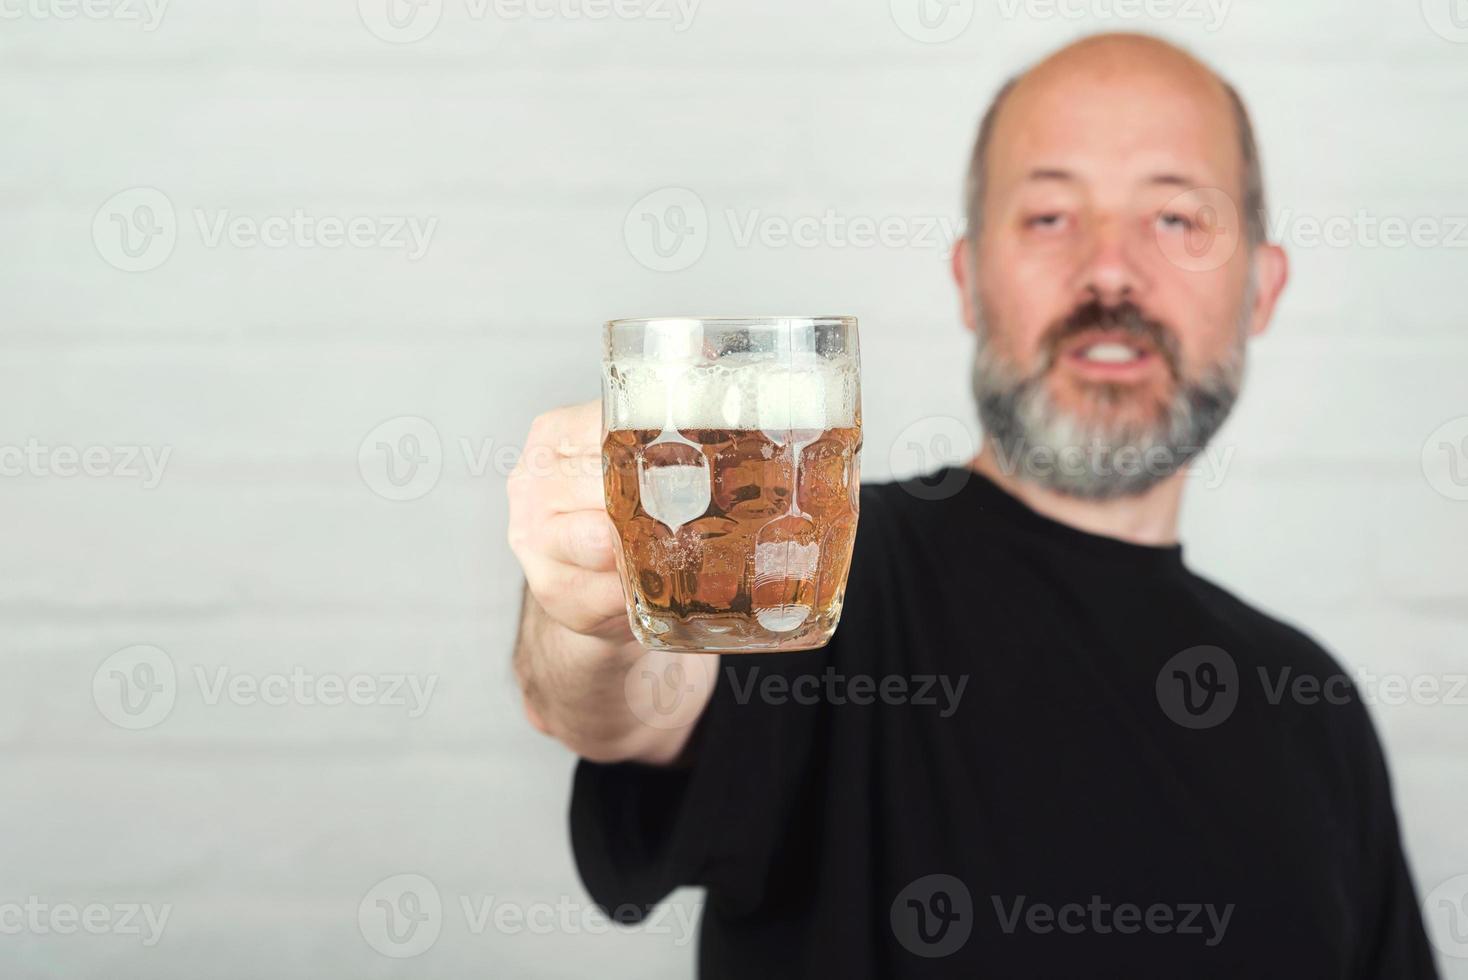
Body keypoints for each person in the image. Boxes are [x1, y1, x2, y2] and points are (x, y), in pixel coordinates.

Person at [506, 33, 1439, 978]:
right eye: (1047, 216)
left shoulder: (1313, 713)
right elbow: (628, 709)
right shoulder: (819, 575)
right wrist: (591, 611)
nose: (1110, 273)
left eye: (1175, 218)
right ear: (967, 279)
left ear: (1263, 289)